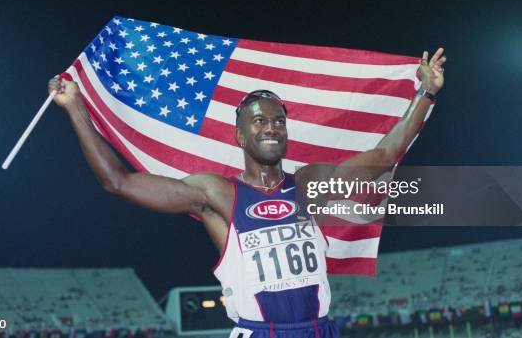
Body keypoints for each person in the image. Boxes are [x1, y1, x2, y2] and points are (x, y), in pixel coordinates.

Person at [48, 48, 446, 338]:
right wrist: (75, 108)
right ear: (240, 135)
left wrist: (425, 93)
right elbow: (117, 182)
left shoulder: (312, 186)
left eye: (278, 122)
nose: (271, 127)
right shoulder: (218, 193)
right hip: (259, 331)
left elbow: (387, 153)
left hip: (320, 331)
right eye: (259, 121)